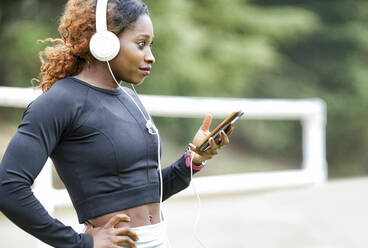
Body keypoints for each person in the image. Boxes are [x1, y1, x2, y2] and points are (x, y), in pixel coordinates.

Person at [0, 0, 233, 247]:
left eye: (150, 46)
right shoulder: (60, 102)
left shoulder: (131, 99)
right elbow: (8, 187)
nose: (151, 57)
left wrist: (194, 159)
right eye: (141, 44)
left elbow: (144, 191)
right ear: (105, 43)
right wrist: (80, 243)